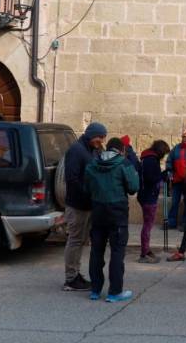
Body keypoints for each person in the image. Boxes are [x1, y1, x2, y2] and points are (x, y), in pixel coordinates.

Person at [84, 137, 140, 302]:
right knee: (117, 251)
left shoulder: (92, 164)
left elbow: (87, 187)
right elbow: (133, 188)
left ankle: (95, 290)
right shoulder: (124, 164)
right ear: (121, 150)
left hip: (98, 210)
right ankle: (114, 292)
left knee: (96, 250)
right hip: (117, 211)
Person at [62, 122, 106, 291]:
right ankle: (71, 279)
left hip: (87, 205)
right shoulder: (76, 150)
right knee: (74, 240)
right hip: (77, 205)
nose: (101, 141)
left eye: (102, 138)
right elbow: (72, 179)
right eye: (99, 137)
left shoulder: (91, 150)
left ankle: (75, 273)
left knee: (80, 241)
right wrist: (88, 193)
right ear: (91, 134)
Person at [137, 140, 170, 264]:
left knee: (147, 225)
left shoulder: (147, 157)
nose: (164, 156)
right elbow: (151, 179)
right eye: (164, 153)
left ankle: (146, 249)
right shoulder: (152, 160)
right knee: (148, 225)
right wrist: (163, 176)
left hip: (145, 194)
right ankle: (144, 253)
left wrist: (162, 174)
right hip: (149, 196)